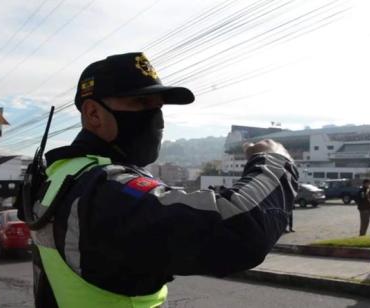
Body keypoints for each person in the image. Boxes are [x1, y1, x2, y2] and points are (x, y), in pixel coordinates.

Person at [20, 52, 298, 308]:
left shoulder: (61, 172)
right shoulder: (104, 190)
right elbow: (241, 231)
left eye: (159, 106)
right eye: (140, 102)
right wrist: (275, 160)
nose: (157, 119)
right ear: (93, 114)